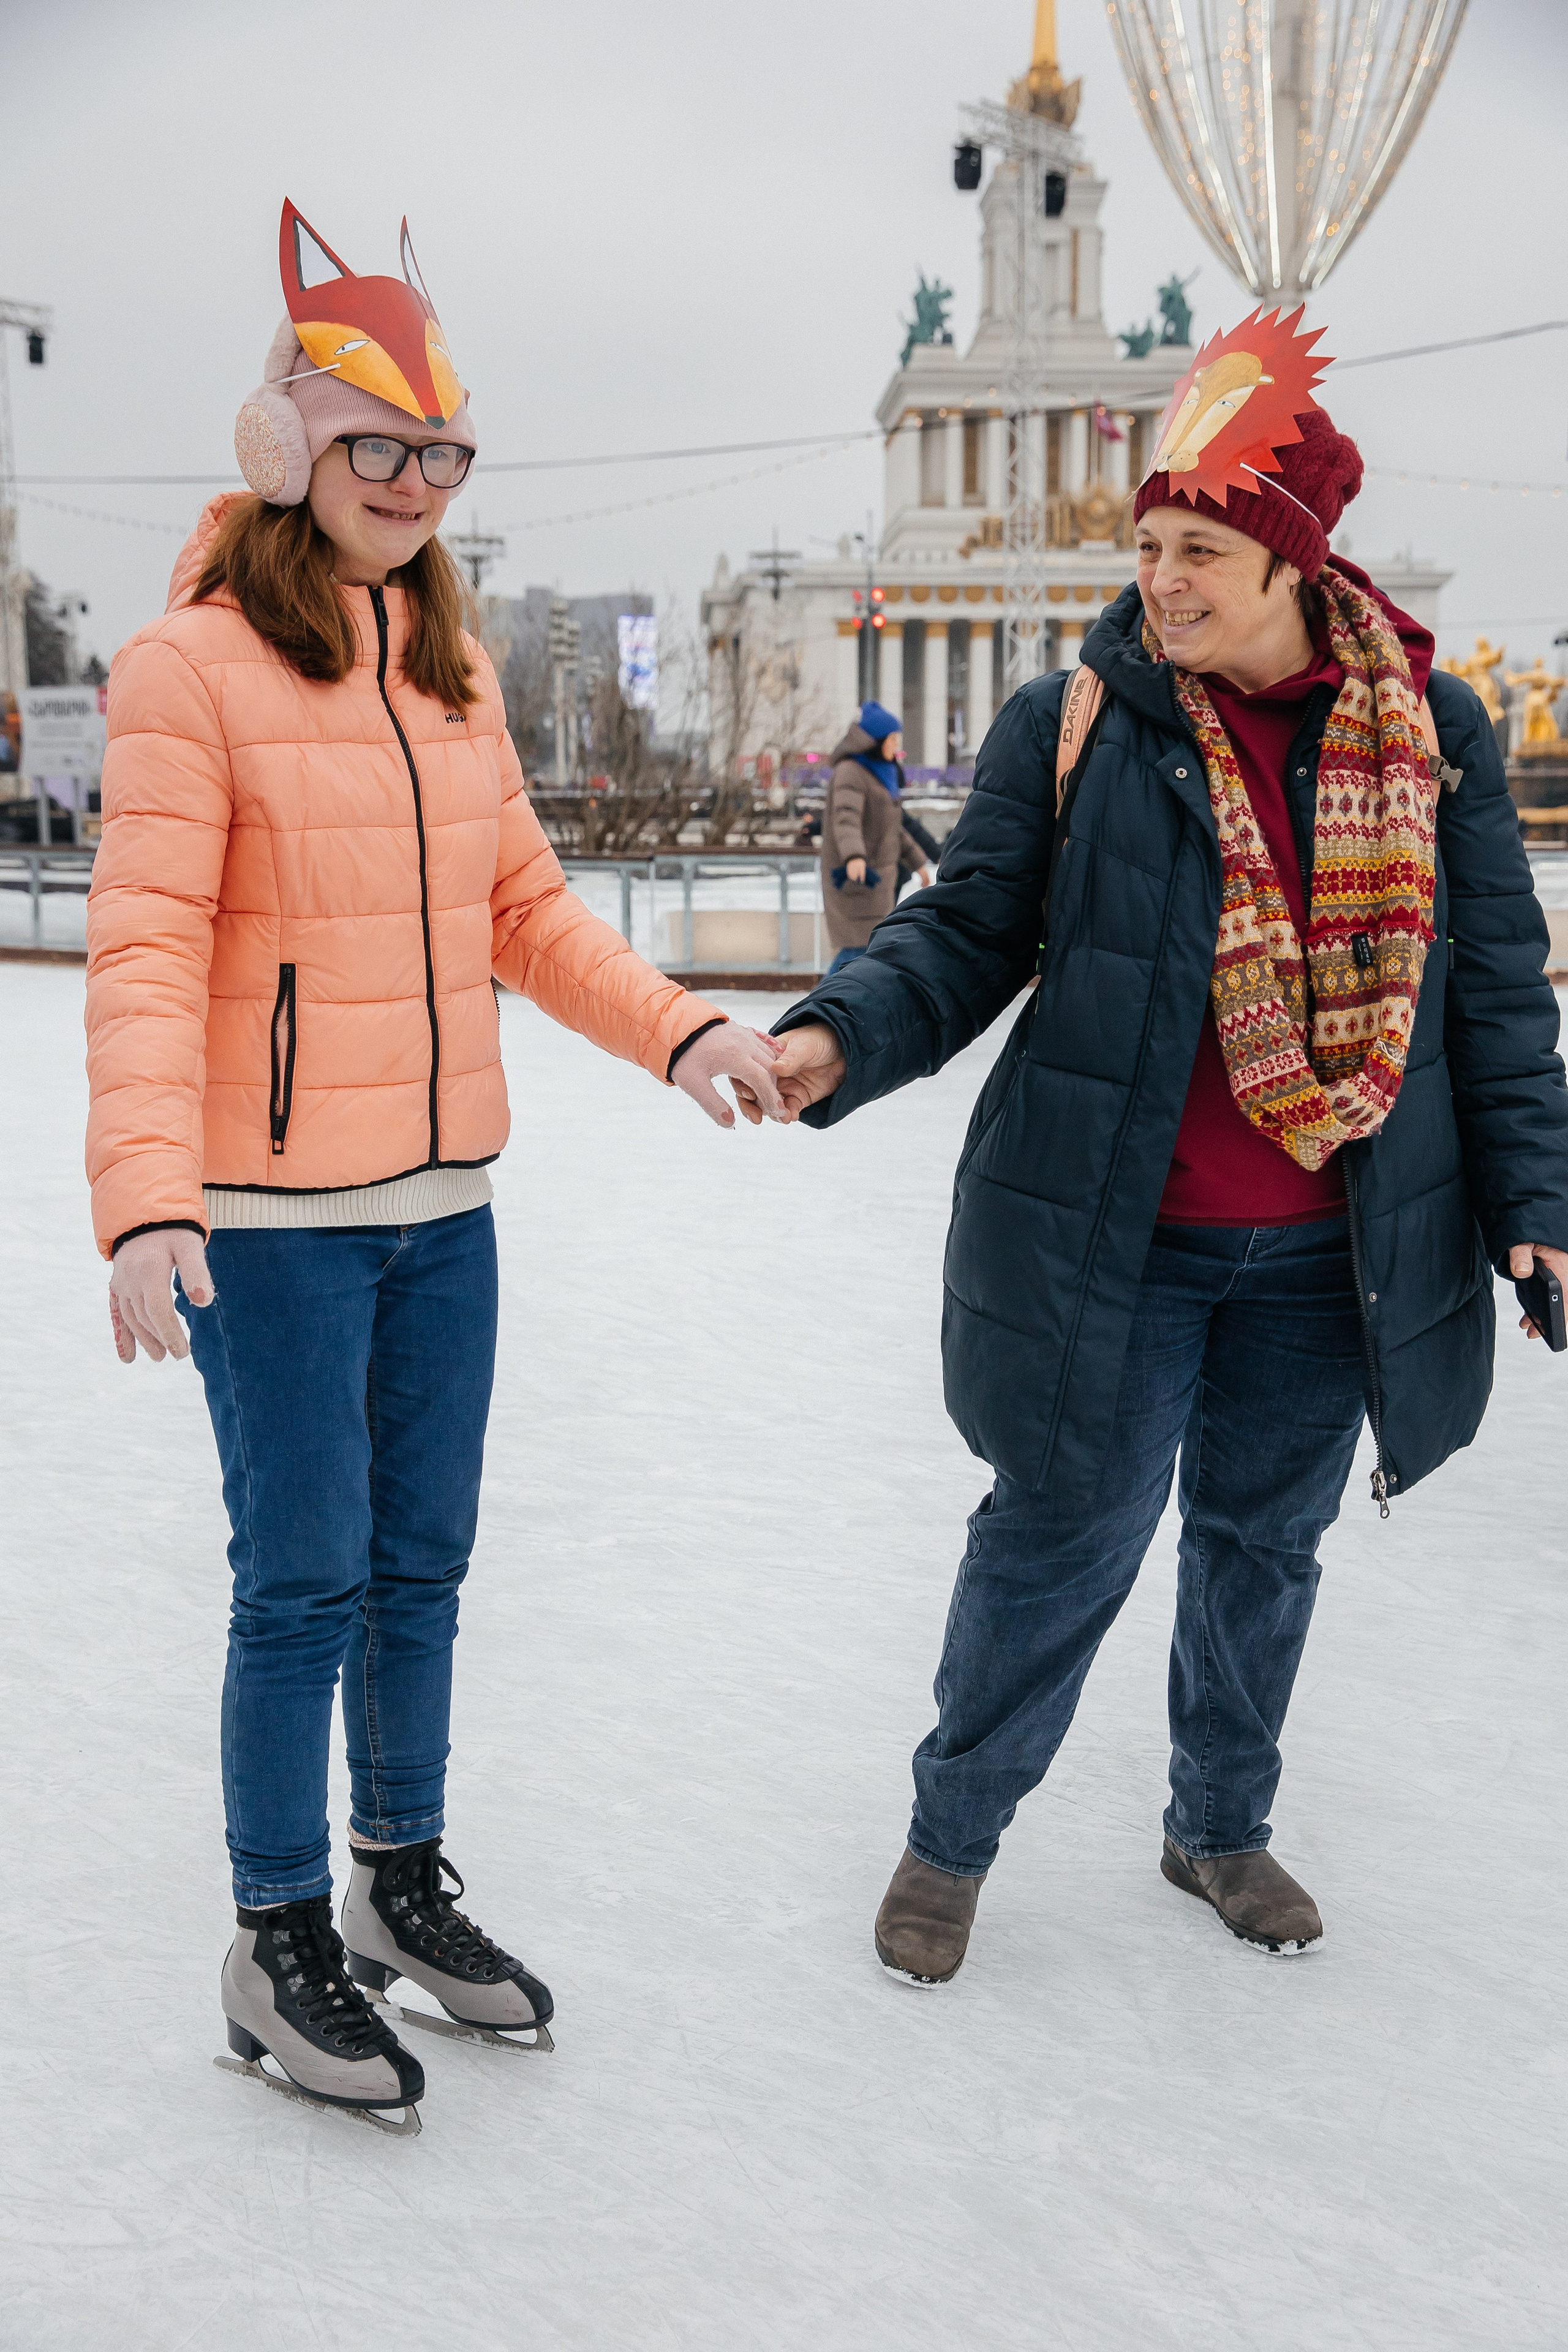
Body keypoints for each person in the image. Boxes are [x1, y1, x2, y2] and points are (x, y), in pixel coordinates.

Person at [738, 310, 1568, 1985]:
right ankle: (951, 1842)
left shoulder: (1433, 735)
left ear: (1289, 563)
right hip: (1119, 1234)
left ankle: (1219, 1824)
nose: (1161, 580)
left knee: (1268, 1549)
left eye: (1199, 549)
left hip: (1332, 1250)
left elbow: (1495, 992)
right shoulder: (1086, 716)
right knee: (1059, 1538)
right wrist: (842, 1031)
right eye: (1151, 544)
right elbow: (969, 929)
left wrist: (1539, 1203)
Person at [85, 200, 784, 2130]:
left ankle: (397, 1879)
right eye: (374, 445)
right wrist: (148, 1198)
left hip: (441, 1210)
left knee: (420, 1569)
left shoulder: (450, 675)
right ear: (292, 450)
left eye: (439, 453)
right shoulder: (190, 667)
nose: (409, 482)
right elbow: (143, 951)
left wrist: (684, 1029)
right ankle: (274, 1925)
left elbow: (532, 912)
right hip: (273, 1223)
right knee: (300, 1579)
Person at [820, 700, 932, 977]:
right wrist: (854, 856)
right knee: (857, 951)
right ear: (875, 740)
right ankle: (815, 1011)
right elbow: (845, 817)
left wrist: (918, 863)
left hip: (877, 885)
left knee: (865, 952)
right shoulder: (851, 772)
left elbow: (893, 828)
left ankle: (831, 1010)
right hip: (856, 879)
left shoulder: (881, 774)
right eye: (893, 739)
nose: (897, 746)